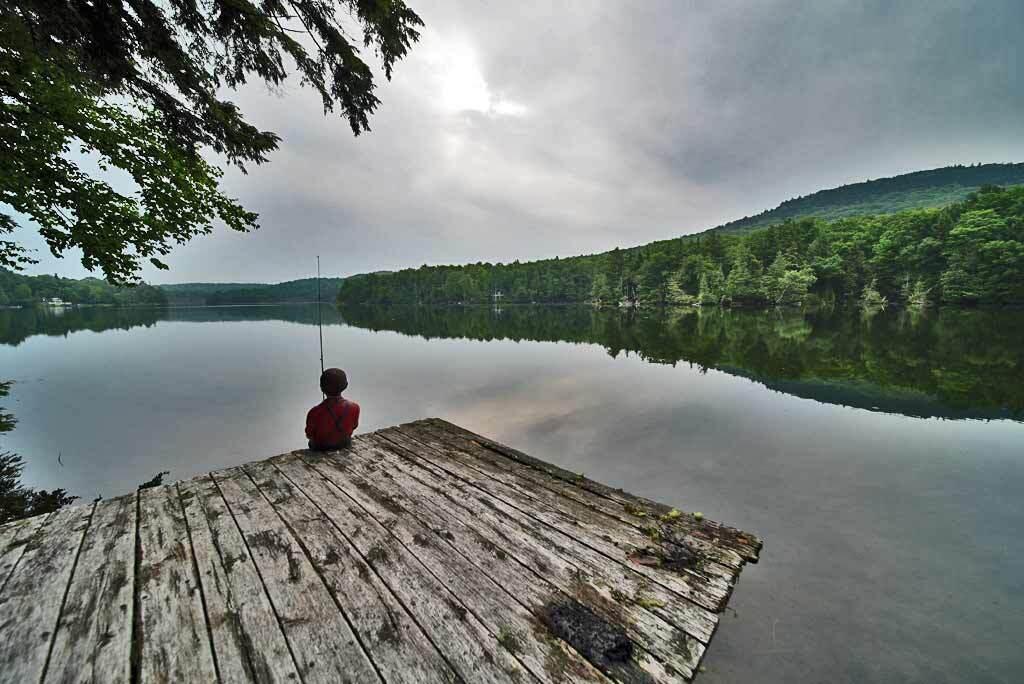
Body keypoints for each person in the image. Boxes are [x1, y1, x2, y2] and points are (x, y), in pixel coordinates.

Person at [306, 368, 360, 450]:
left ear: (321, 388)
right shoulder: (354, 407)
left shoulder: (314, 412)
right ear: (346, 386)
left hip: (320, 448)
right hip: (343, 444)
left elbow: (309, 434)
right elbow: (354, 426)